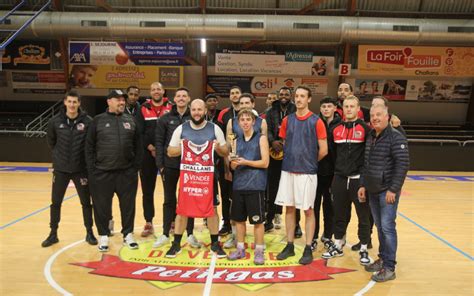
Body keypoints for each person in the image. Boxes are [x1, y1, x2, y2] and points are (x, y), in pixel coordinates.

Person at [164, 99, 228, 258]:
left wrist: (217, 147)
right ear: (190, 111)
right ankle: (176, 244)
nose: (197, 112)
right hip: (189, 177)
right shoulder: (181, 128)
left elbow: (226, 150)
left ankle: (215, 244)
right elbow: (170, 151)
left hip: (208, 176)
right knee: (182, 210)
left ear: (205, 110)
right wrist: (185, 147)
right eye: (194, 110)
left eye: (200, 109)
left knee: (212, 209)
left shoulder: (214, 128)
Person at [275, 86, 328, 265]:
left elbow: (324, 150)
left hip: (307, 172)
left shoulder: (316, 121)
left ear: (309, 99)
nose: (298, 99)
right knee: (289, 208)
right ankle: (289, 245)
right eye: (296, 96)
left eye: (302, 96)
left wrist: (309, 161)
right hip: (288, 170)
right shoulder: (287, 120)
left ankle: (307, 247)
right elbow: (285, 143)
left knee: (308, 210)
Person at [85, 89, 143, 252]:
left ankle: (128, 234)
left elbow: (139, 146)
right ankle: (103, 235)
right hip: (102, 173)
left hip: (126, 173)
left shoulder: (131, 120)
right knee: (101, 206)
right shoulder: (97, 121)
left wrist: (135, 168)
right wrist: (92, 170)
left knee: (128, 206)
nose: (122, 102)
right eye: (118, 99)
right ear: (109, 101)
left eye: (123, 99)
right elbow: (89, 147)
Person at [358, 104, 409, 282]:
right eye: (372, 115)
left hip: (387, 192)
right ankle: (382, 258)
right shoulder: (371, 136)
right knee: (380, 227)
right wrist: (363, 185)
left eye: (379, 115)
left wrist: (393, 189)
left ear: (388, 117)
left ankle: (389, 267)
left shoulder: (396, 137)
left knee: (387, 228)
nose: (375, 118)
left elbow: (402, 165)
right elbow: (366, 164)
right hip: (372, 190)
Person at [41, 91, 97, 247]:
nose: (72, 105)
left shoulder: (88, 121)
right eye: (69, 101)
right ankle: (53, 234)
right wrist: (60, 158)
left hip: (81, 170)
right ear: (65, 102)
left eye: (75, 102)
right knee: (56, 202)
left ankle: (89, 232)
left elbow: (91, 144)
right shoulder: (54, 122)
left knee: (86, 203)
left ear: (79, 103)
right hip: (61, 170)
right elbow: (51, 142)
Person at [322, 95, 371, 265]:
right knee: (339, 214)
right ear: (342, 109)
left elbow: (368, 156)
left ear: (358, 109)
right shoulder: (335, 129)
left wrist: (364, 180)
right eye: (346, 106)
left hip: (358, 179)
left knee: (363, 216)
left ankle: (364, 247)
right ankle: (338, 244)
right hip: (340, 178)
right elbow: (333, 154)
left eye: (352, 106)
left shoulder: (366, 129)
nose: (349, 109)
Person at [154, 87, 200, 249]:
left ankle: (190, 234)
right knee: (169, 200)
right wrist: (160, 165)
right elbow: (159, 143)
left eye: (184, 96)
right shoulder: (165, 119)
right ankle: (166, 233)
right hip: (170, 165)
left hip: (191, 166)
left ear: (188, 99)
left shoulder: (195, 118)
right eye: (178, 96)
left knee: (189, 200)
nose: (181, 98)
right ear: (174, 99)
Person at [223, 93, 267, 248]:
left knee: (257, 221)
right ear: (238, 122)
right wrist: (232, 163)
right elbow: (233, 165)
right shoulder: (234, 140)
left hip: (255, 184)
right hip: (239, 184)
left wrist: (246, 162)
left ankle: (259, 250)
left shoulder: (261, 138)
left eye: (248, 119)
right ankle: (240, 248)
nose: (245, 122)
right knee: (239, 219)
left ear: (254, 121)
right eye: (242, 120)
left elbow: (265, 163)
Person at [136, 82, 172, 237]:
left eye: (159, 89)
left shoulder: (171, 107)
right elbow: (139, 132)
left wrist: (163, 149)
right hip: (147, 155)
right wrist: (150, 147)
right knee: (147, 190)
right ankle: (149, 222)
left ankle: (171, 221)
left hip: (167, 155)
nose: (156, 91)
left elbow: (174, 130)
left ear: (163, 91)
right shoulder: (142, 108)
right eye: (153, 89)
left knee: (169, 190)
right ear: (150, 92)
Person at [264, 87, 302, 236]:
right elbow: (266, 129)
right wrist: (273, 141)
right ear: (278, 96)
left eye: (287, 94)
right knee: (272, 189)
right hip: (274, 154)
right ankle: (269, 220)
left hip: (292, 155)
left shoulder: (295, 110)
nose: (284, 96)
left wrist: (286, 143)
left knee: (294, 192)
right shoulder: (270, 111)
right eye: (281, 94)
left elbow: (299, 130)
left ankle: (297, 225)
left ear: (290, 96)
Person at [310, 96, 340, 251]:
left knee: (330, 206)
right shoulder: (315, 123)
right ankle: (313, 236)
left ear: (335, 108)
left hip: (332, 174)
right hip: (315, 171)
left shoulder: (340, 124)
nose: (326, 109)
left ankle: (327, 235)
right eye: (323, 107)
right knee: (313, 206)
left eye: (329, 106)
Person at [216, 86, 242, 236]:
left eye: (237, 93)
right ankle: (226, 223)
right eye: (232, 93)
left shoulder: (250, 114)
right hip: (227, 160)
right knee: (225, 194)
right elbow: (221, 139)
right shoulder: (224, 114)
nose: (234, 95)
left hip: (244, 161)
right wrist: (225, 163)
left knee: (239, 195)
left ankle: (239, 225)